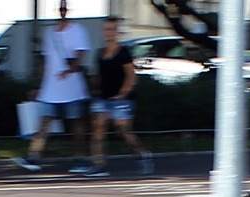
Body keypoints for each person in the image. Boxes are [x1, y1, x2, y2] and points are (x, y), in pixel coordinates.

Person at [14, 0, 92, 174]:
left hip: (72, 86)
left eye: (65, 8)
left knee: (76, 124)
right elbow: (45, 61)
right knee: (44, 121)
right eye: (61, 8)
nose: (62, 11)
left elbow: (80, 54)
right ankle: (33, 155)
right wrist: (39, 86)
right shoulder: (49, 33)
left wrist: (70, 70)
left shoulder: (78, 30)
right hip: (51, 87)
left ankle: (80, 158)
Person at [87, 17, 152, 178]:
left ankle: (141, 155)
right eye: (106, 29)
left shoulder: (123, 52)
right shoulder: (100, 53)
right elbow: (98, 75)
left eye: (111, 29)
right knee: (98, 128)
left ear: (116, 32)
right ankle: (98, 164)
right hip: (103, 98)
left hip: (122, 99)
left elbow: (130, 75)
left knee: (123, 131)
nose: (108, 32)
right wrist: (94, 88)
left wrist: (123, 93)